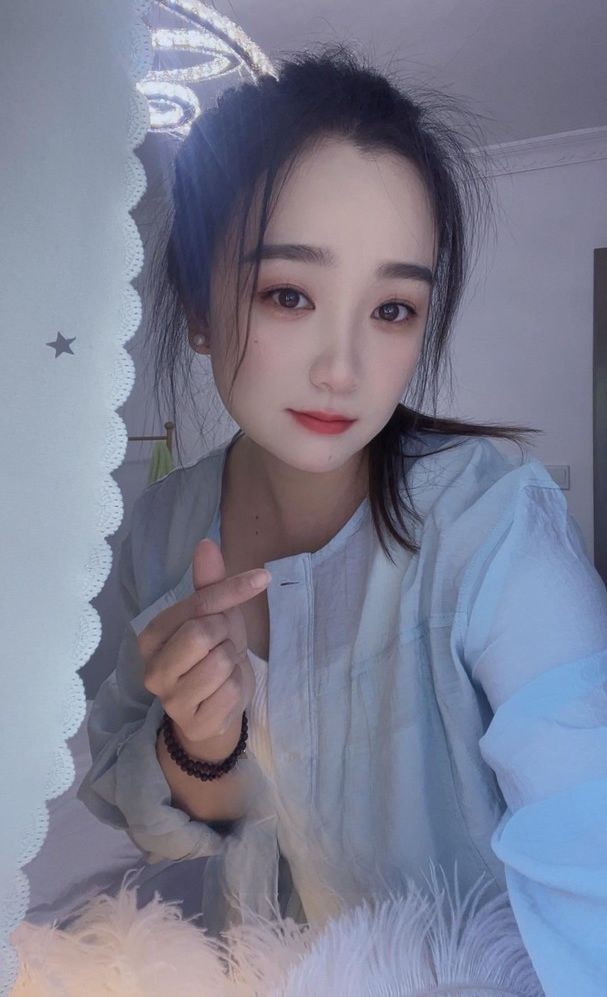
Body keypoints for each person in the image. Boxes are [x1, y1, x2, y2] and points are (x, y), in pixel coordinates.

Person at [77, 45, 607, 994]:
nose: (343, 368)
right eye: (289, 294)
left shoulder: (491, 524)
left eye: (392, 308)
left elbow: (591, 840)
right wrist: (201, 744)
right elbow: (161, 821)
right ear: (197, 304)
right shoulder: (159, 531)